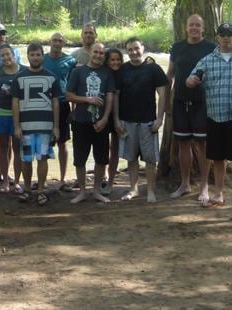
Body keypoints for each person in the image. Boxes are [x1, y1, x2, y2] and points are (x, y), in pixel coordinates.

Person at [186, 22, 232, 210]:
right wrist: (191, 80)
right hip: (214, 116)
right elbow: (189, 80)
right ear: (217, 37)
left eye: (230, 34)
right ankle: (218, 194)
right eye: (222, 34)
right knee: (218, 158)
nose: (226, 38)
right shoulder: (206, 60)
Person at [166, 14, 216, 201]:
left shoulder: (211, 48)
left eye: (198, 25)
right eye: (191, 25)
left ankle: (204, 186)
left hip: (203, 103)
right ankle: (185, 184)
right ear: (186, 27)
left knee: (203, 145)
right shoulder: (177, 47)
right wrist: (165, 103)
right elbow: (170, 74)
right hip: (180, 102)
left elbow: (217, 74)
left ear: (203, 28)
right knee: (183, 144)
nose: (194, 28)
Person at [117, 37, 168, 202]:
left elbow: (162, 94)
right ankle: (133, 189)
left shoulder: (154, 68)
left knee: (150, 159)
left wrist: (160, 118)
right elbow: (116, 96)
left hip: (148, 122)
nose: (133, 52)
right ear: (127, 52)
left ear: (143, 48)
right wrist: (117, 119)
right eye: (130, 50)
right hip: (127, 121)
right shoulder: (123, 70)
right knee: (131, 158)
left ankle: (151, 191)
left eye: (136, 48)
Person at [12, 41, 60, 206]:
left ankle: (40, 191)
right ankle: (27, 189)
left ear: (42, 56)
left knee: (42, 158)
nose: (35, 57)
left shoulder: (51, 77)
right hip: (26, 126)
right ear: (27, 56)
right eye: (32, 55)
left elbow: (55, 102)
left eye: (38, 54)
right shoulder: (19, 77)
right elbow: (15, 103)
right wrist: (17, 125)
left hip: (45, 126)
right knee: (26, 159)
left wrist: (56, 126)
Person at [66, 43, 115, 204]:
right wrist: (87, 99)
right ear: (90, 53)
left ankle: (96, 191)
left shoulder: (107, 73)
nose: (98, 55)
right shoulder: (78, 72)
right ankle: (82, 192)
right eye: (96, 52)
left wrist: (105, 118)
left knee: (101, 159)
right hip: (81, 121)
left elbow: (110, 97)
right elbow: (69, 95)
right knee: (80, 159)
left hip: (101, 122)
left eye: (101, 53)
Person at [42, 32, 76, 190]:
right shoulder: (42, 59)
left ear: (64, 43)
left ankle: (62, 179)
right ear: (50, 42)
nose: (57, 43)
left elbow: (74, 86)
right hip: (43, 105)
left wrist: (74, 109)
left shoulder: (70, 61)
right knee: (44, 143)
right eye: (54, 40)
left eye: (60, 40)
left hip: (63, 104)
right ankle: (42, 179)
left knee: (63, 142)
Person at [0, 44, 26, 194]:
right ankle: (5, 181)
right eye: (2, 55)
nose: (6, 57)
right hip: (0, 113)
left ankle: (17, 182)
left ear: (14, 55)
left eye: (8, 54)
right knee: (3, 147)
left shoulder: (24, 71)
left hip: (18, 115)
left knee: (18, 148)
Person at [103, 48, 124, 194]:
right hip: (104, 114)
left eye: (118, 60)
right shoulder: (103, 73)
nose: (115, 62)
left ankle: (110, 181)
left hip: (120, 114)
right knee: (102, 148)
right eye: (112, 60)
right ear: (107, 61)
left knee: (115, 149)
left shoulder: (124, 73)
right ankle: (102, 175)